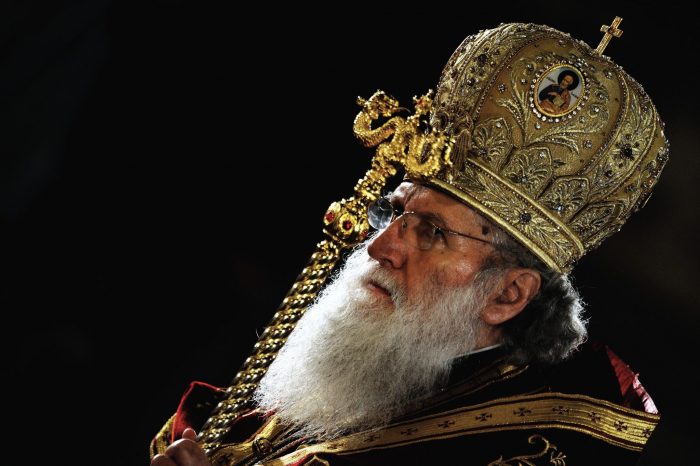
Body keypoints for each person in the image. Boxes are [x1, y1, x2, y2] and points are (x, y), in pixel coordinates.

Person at [150, 20, 667, 465]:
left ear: (507, 295)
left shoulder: (519, 446)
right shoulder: (360, 381)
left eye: (433, 233)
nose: (379, 248)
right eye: (397, 213)